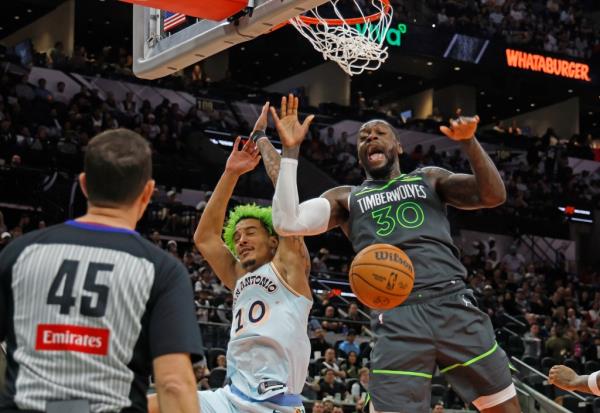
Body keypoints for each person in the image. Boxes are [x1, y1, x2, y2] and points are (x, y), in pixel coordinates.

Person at [257, 94, 519, 412]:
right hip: (397, 318)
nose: (370, 138)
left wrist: (469, 143)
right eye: (363, 137)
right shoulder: (346, 199)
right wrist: (290, 150)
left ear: (398, 146)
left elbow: (493, 194)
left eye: (379, 133)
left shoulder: (429, 179)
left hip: (453, 305)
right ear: (359, 154)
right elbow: (288, 222)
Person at [0, 129, 202, 413]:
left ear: (84, 185)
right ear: (147, 192)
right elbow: (174, 384)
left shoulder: (19, 252)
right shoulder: (163, 270)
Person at [150, 135, 312, 413]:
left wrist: (267, 143)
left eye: (250, 232)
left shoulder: (288, 267)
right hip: (232, 396)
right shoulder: (238, 276)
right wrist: (231, 172)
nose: (242, 240)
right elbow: (205, 238)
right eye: (237, 236)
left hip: (275, 403)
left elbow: (287, 208)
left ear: (273, 239)